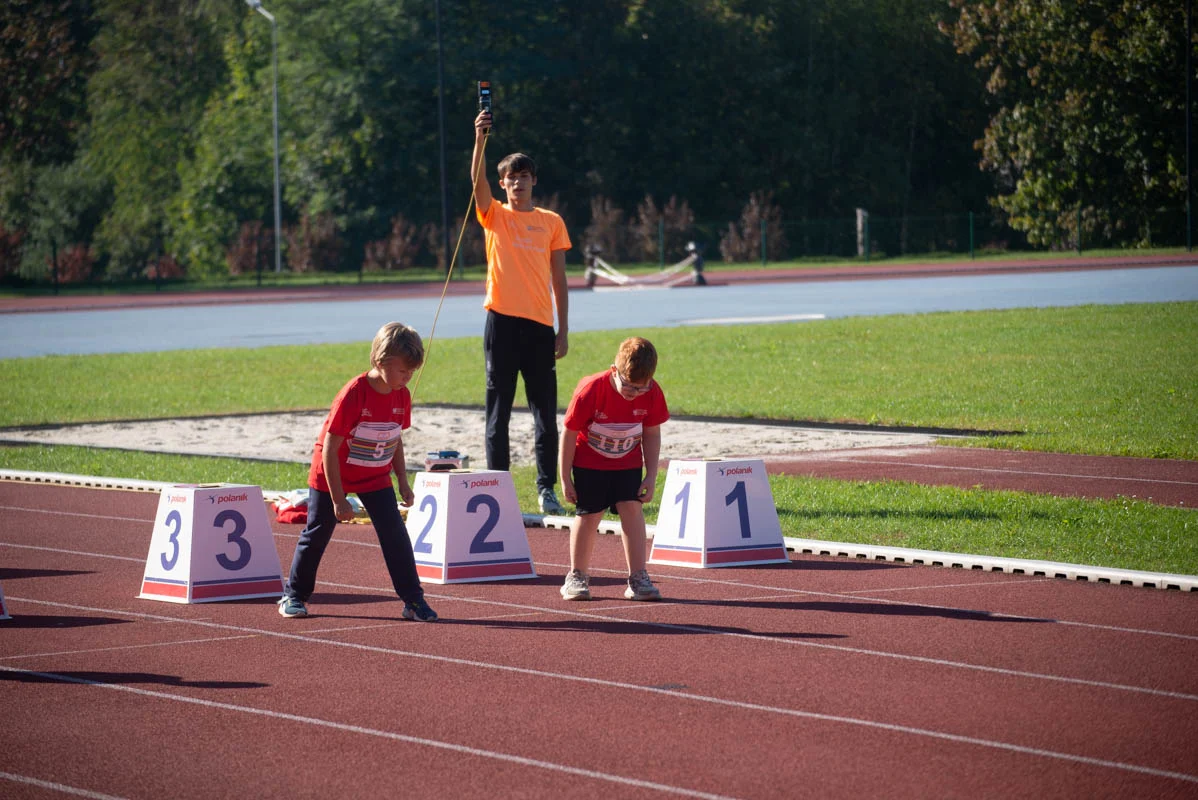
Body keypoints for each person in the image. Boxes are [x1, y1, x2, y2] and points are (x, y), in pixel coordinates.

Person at [277, 322, 437, 622]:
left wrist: (403, 481)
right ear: (380, 361)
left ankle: (413, 600)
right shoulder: (354, 393)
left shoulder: (402, 394)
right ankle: (294, 595)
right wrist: (338, 499)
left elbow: (395, 439)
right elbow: (329, 447)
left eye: (412, 372)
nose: (407, 377)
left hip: (374, 475)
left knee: (395, 534)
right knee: (318, 532)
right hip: (333, 472)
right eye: (403, 371)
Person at [471, 109, 571, 515]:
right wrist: (480, 139)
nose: (518, 182)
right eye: (511, 178)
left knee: (545, 415)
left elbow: (559, 279)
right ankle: (499, 487)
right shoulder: (495, 214)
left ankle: (547, 489)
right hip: (501, 324)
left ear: (534, 181)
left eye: (524, 176)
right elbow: (475, 182)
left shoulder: (551, 222)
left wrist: (563, 329)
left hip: (540, 327)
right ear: (503, 183)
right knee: (498, 414)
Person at [558, 337, 669, 601]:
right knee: (589, 514)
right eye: (627, 386)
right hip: (589, 462)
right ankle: (577, 576)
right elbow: (569, 432)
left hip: (628, 462)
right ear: (614, 371)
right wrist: (564, 478)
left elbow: (652, 433)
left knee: (632, 510)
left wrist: (651, 475)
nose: (633, 393)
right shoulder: (591, 389)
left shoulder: (652, 393)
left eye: (640, 388)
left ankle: (638, 577)